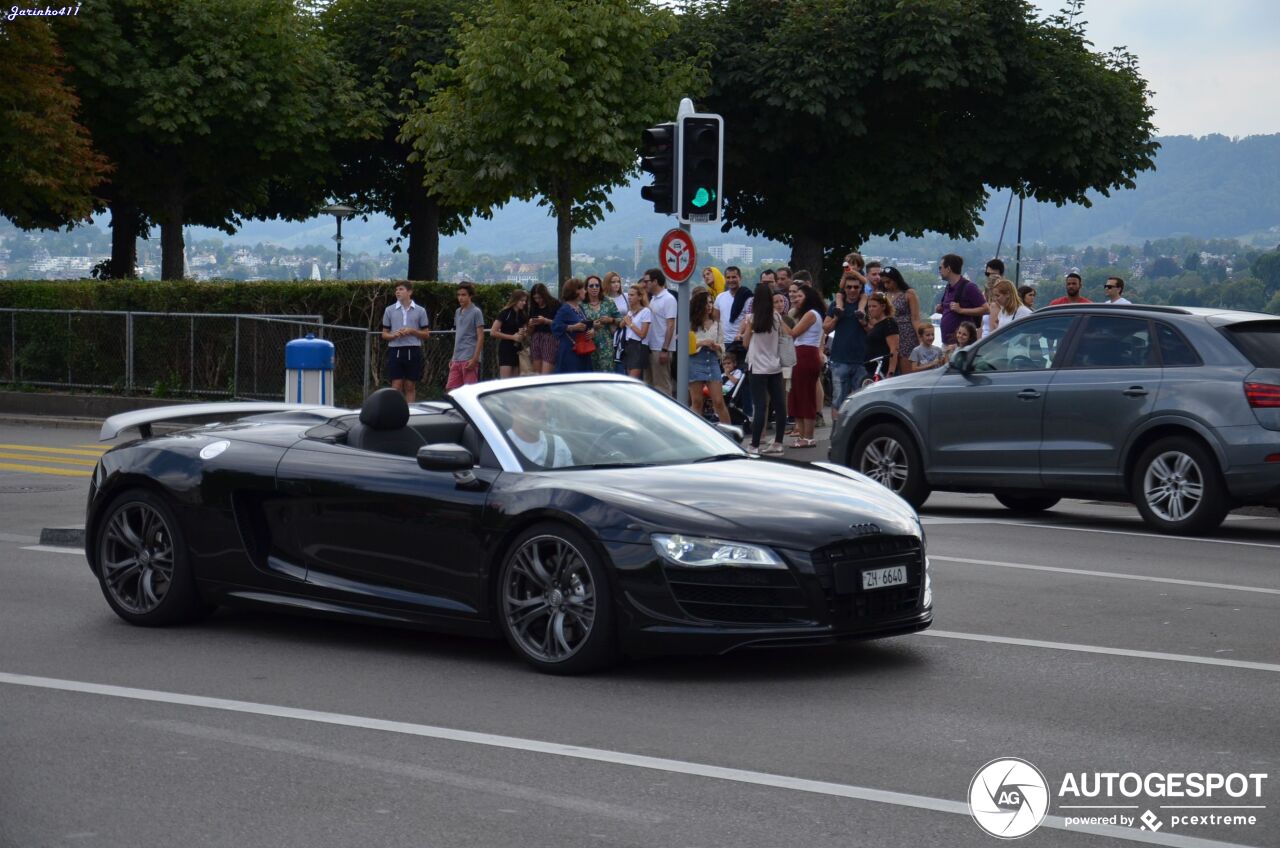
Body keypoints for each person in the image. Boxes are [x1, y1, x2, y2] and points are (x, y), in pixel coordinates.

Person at [738, 283, 786, 455]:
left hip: (757, 366)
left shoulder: (752, 318)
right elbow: (781, 337)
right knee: (779, 405)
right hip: (775, 365)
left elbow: (745, 343)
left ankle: (754, 444)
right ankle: (778, 442)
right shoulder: (777, 318)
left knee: (760, 406)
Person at [783, 283, 824, 448]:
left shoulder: (811, 314)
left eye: (800, 296)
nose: (796, 299)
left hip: (806, 355)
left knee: (805, 395)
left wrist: (778, 319)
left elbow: (792, 333)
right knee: (797, 394)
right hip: (800, 354)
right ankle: (801, 434)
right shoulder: (806, 314)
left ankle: (808, 436)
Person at [824, 269, 868, 421]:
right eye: (849, 287)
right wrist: (836, 318)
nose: (852, 290)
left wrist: (863, 322)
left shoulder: (867, 305)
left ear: (860, 289)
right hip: (839, 359)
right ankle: (836, 433)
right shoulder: (836, 305)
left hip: (861, 360)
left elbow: (874, 331)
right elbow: (826, 328)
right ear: (845, 288)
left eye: (856, 287)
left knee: (861, 400)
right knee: (838, 401)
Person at [380, 281, 431, 403]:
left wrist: (412, 331)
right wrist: (393, 335)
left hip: (413, 350)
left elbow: (426, 334)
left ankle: (410, 413)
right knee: (396, 385)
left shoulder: (420, 311)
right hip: (395, 350)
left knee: (410, 386)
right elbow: (384, 334)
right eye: (396, 289)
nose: (397, 291)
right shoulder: (389, 310)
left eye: (401, 289)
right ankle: (395, 413)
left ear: (409, 292)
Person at [688, 289, 732, 425]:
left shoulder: (717, 325)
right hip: (695, 361)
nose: (709, 306)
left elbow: (723, 347)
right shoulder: (690, 324)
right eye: (706, 303)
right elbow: (684, 345)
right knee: (697, 401)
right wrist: (702, 342)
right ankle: (694, 434)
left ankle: (730, 434)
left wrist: (717, 347)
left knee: (718, 401)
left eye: (711, 303)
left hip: (712, 360)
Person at [504, 392, 573, 469]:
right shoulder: (501, 445)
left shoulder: (558, 444)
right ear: (513, 407)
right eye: (536, 405)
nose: (544, 410)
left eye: (548, 405)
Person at [936, 253, 985, 346]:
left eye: (940, 268)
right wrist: (942, 309)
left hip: (960, 345)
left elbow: (986, 309)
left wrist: (961, 310)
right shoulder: (948, 287)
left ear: (948, 268)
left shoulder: (969, 287)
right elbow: (951, 311)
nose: (939, 271)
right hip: (946, 343)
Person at [643, 268, 677, 396]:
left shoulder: (668, 299)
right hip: (651, 347)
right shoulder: (654, 299)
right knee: (649, 385)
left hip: (660, 348)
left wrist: (665, 349)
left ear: (655, 281)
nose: (645, 284)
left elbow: (670, 325)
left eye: (647, 281)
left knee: (662, 386)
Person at [446, 282, 485, 390]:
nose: (460, 298)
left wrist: (475, 358)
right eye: (458, 295)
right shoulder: (457, 311)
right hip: (457, 357)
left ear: (470, 296)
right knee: (451, 390)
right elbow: (459, 334)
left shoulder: (476, 312)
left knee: (469, 390)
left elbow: (480, 336)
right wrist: (453, 357)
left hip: (469, 356)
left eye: (463, 295)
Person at [881, 266, 921, 373]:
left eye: (888, 282)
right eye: (884, 282)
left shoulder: (908, 293)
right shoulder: (884, 295)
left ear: (896, 279)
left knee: (906, 369)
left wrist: (921, 340)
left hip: (907, 334)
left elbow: (915, 318)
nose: (886, 285)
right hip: (890, 334)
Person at [552, 278, 594, 374]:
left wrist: (591, 331)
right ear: (576, 291)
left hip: (582, 350)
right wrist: (572, 327)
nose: (585, 291)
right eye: (583, 289)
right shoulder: (565, 309)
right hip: (570, 352)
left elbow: (585, 325)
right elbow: (555, 326)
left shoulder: (579, 308)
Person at [581, 274, 620, 372]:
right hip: (588, 346)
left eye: (597, 285)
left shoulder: (608, 302)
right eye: (591, 286)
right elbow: (578, 324)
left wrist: (610, 320)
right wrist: (592, 325)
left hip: (606, 346)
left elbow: (621, 320)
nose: (594, 288)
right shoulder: (581, 305)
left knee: (607, 376)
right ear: (586, 288)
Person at [490, 289, 529, 379]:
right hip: (506, 349)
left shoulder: (522, 315)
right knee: (505, 380)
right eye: (521, 301)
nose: (524, 303)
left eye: (525, 301)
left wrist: (523, 334)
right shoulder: (505, 313)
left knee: (515, 381)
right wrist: (512, 337)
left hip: (518, 350)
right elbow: (493, 332)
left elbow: (524, 333)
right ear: (515, 300)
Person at [863, 292, 900, 382]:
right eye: (869, 306)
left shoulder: (889, 323)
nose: (871, 309)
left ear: (883, 307)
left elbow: (894, 349)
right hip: (873, 371)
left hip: (883, 371)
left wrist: (890, 372)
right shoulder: (877, 325)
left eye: (874, 306)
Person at [619, 284, 651, 379]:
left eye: (632, 295)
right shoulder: (630, 312)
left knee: (633, 380)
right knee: (629, 379)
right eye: (628, 295)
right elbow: (621, 326)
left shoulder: (646, 311)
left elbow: (642, 334)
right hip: (628, 345)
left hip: (639, 346)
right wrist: (624, 321)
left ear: (640, 297)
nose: (629, 297)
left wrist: (630, 324)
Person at [527, 283, 559, 373]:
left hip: (550, 338)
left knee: (546, 372)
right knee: (537, 372)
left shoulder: (555, 304)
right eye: (535, 298)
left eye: (540, 298)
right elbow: (530, 332)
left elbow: (560, 324)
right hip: (536, 338)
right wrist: (530, 325)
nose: (538, 301)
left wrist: (545, 321)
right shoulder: (533, 307)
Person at [715, 266, 749, 347]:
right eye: (728, 277)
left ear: (740, 278)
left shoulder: (748, 297)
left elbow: (750, 320)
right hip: (723, 342)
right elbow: (716, 320)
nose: (731, 280)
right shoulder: (720, 297)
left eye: (734, 277)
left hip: (741, 341)